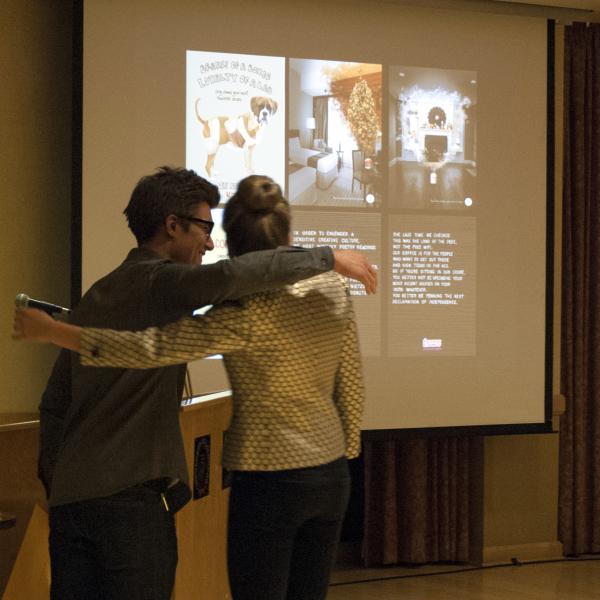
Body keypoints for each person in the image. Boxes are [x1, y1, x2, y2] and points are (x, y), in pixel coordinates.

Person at [20, 166, 376, 600]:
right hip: (319, 473)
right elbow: (348, 382)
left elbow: (63, 397)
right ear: (172, 225)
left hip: (90, 497)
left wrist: (58, 482)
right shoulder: (330, 292)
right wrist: (330, 258)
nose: (209, 243)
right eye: (204, 229)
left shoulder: (101, 294)